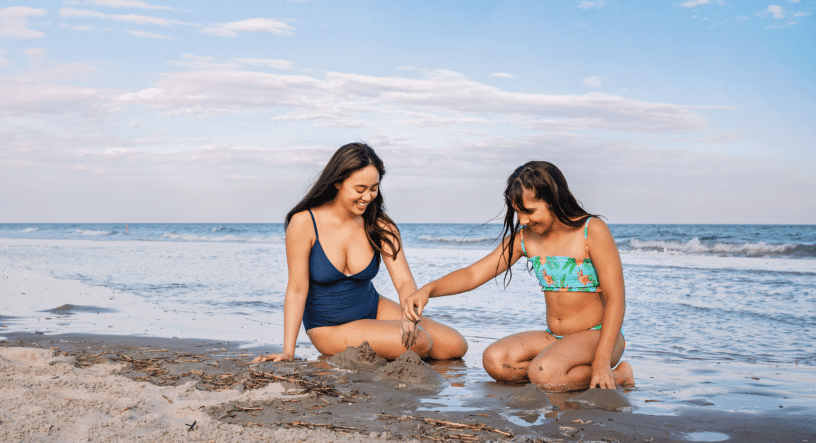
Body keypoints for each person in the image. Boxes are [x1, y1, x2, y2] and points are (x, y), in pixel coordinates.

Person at [402, 161, 634, 391]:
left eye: (530, 211)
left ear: (554, 201)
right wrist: (428, 290)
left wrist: (603, 359)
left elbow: (616, 298)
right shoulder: (525, 238)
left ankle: (618, 375)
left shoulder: (591, 230)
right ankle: (549, 371)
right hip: (554, 337)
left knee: (544, 373)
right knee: (495, 360)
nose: (522, 220)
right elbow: (474, 274)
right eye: (518, 212)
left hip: (600, 336)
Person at [253, 143, 468, 363]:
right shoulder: (304, 223)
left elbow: (404, 281)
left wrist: (408, 319)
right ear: (338, 182)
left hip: (372, 306)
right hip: (328, 327)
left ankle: (386, 344)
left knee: (455, 345)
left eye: (373, 188)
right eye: (360, 189)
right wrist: (288, 352)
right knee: (420, 342)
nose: (367, 196)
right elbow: (297, 290)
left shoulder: (380, 226)